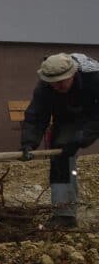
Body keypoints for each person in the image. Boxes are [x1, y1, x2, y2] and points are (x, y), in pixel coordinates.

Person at [20, 52, 99, 229]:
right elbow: (36, 116)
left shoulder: (93, 77)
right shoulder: (45, 87)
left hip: (93, 112)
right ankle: (65, 215)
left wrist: (84, 136)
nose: (57, 86)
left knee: (76, 140)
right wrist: (29, 143)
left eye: (61, 81)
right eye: (53, 83)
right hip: (68, 117)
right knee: (62, 159)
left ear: (73, 74)